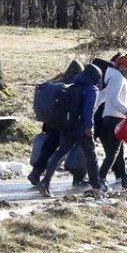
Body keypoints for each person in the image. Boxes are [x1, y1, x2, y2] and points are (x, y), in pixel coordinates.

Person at [37, 63, 102, 198]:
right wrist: (89, 126)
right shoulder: (92, 90)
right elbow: (88, 110)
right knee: (91, 157)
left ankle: (45, 182)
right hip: (82, 129)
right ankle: (96, 187)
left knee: (60, 153)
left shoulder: (73, 85)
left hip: (67, 127)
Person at [27, 59, 83, 187]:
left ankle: (36, 172)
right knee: (67, 150)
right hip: (64, 124)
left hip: (51, 123)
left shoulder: (56, 82)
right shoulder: (73, 84)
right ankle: (77, 177)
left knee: (49, 147)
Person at [98, 54, 127, 189]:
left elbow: (102, 96)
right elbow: (114, 99)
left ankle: (124, 177)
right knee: (113, 151)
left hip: (108, 118)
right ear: (119, 66)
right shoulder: (118, 78)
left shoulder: (112, 77)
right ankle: (100, 177)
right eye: (125, 67)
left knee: (119, 151)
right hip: (115, 119)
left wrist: (92, 110)